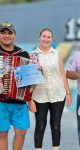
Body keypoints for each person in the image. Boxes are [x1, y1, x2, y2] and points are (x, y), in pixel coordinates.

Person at [28, 28, 71, 150]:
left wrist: (68, 92)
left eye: (49, 37)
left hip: (58, 94)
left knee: (56, 125)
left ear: (52, 39)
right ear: (39, 37)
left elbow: (63, 73)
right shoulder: (33, 56)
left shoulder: (56, 53)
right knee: (40, 126)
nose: (46, 39)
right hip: (40, 95)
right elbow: (30, 79)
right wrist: (30, 100)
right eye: (44, 36)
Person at [0, 21, 31, 150]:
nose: (7, 36)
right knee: (2, 133)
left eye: (10, 33)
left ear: (14, 35)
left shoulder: (23, 54)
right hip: (1, 101)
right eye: (3, 33)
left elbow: (29, 80)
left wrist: (31, 101)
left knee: (21, 132)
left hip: (19, 101)